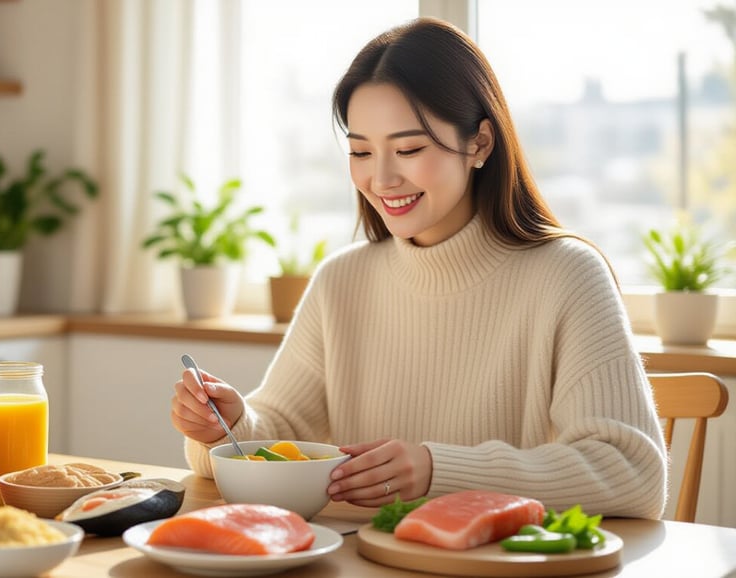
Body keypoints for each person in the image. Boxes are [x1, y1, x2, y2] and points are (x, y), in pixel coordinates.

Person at [169, 17, 667, 519]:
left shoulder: (566, 276)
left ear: (480, 144)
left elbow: (631, 471)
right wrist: (227, 428)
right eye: (361, 151)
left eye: (408, 149)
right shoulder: (342, 281)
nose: (381, 178)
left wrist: (436, 471)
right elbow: (280, 429)